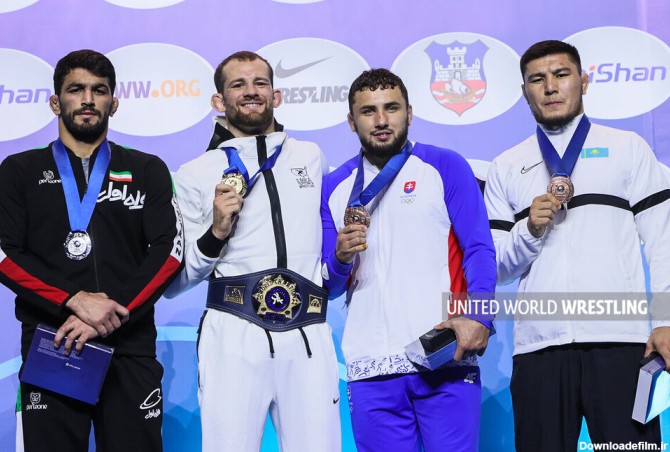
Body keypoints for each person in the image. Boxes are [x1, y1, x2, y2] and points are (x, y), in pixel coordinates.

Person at [484, 40, 670, 451]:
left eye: (561, 74)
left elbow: (663, 239)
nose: (550, 87)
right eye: (538, 79)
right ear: (524, 92)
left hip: (622, 341)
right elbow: (495, 268)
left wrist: (664, 320)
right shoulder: (506, 166)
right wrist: (529, 230)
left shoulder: (627, 148)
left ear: (583, 82)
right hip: (539, 347)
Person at [0, 49, 184, 452]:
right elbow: (4, 253)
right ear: (55, 102)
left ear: (113, 103)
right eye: (76, 89)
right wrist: (73, 299)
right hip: (55, 342)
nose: (88, 99)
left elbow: (169, 250)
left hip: (130, 346)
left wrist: (113, 310)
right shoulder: (18, 170)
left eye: (99, 90)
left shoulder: (148, 168)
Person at [164, 51, 341, 452]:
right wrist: (216, 233)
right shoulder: (194, 173)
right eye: (238, 84)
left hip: (308, 331)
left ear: (276, 96)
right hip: (234, 333)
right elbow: (176, 281)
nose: (250, 92)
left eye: (260, 83)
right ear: (219, 100)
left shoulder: (311, 157)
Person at [321, 68, 497, 452]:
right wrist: (340, 257)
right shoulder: (334, 186)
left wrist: (481, 317)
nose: (381, 120)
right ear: (351, 121)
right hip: (370, 366)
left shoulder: (445, 166)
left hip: (443, 355)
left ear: (410, 113)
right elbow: (330, 288)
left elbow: (480, 249)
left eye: (392, 108)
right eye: (368, 111)